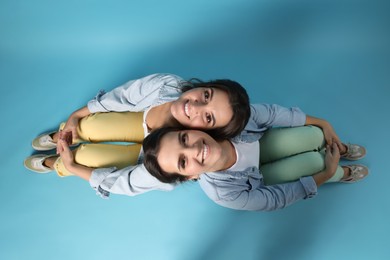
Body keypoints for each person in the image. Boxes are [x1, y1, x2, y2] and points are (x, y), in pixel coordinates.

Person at [24, 73, 251, 179]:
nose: (196, 106)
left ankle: (59, 164)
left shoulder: (177, 162)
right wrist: (75, 115)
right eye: (206, 95)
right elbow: (117, 98)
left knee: (89, 159)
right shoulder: (164, 86)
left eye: (208, 118)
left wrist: (73, 167)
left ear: (208, 132)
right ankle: (62, 135)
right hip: (140, 119)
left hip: (144, 155)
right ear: (205, 86)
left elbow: (126, 183)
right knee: (91, 126)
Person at [142, 125, 368, 211]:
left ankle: (336, 147)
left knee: (314, 134)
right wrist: (327, 173)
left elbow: (267, 112)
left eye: (184, 139)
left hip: (261, 145)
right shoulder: (223, 194)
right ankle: (340, 172)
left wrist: (322, 123)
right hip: (259, 177)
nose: (193, 149)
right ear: (190, 176)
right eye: (183, 161)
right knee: (315, 164)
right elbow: (275, 199)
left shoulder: (220, 122)